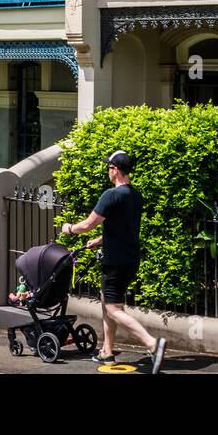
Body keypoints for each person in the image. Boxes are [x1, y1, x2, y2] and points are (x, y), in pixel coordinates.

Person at [61, 150, 167, 373]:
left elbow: (88, 224)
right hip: (130, 259)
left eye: (109, 168)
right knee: (108, 303)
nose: (108, 171)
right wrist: (100, 240)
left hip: (115, 262)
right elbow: (123, 227)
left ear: (115, 170)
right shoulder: (135, 195)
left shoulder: (111, 195)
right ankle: (107, 352)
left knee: (113, 308)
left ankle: (152, 343)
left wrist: (69, 228)